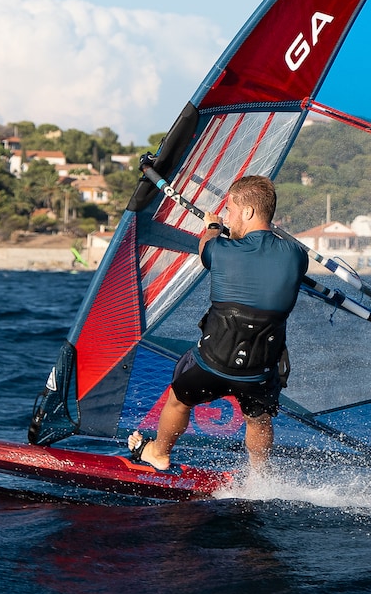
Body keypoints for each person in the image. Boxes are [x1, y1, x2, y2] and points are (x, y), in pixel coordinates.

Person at [128, 174, 308, 474]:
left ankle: (159, 453)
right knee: (259, 418)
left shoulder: (221, 250)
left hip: (213, 363)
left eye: (230, 210)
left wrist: (212, 227)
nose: (227, 217)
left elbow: (206, 248)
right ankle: (259, 477)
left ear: (247, 211)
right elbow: (265, 254)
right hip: (259, 369)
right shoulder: (297, 255)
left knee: (178, 399)